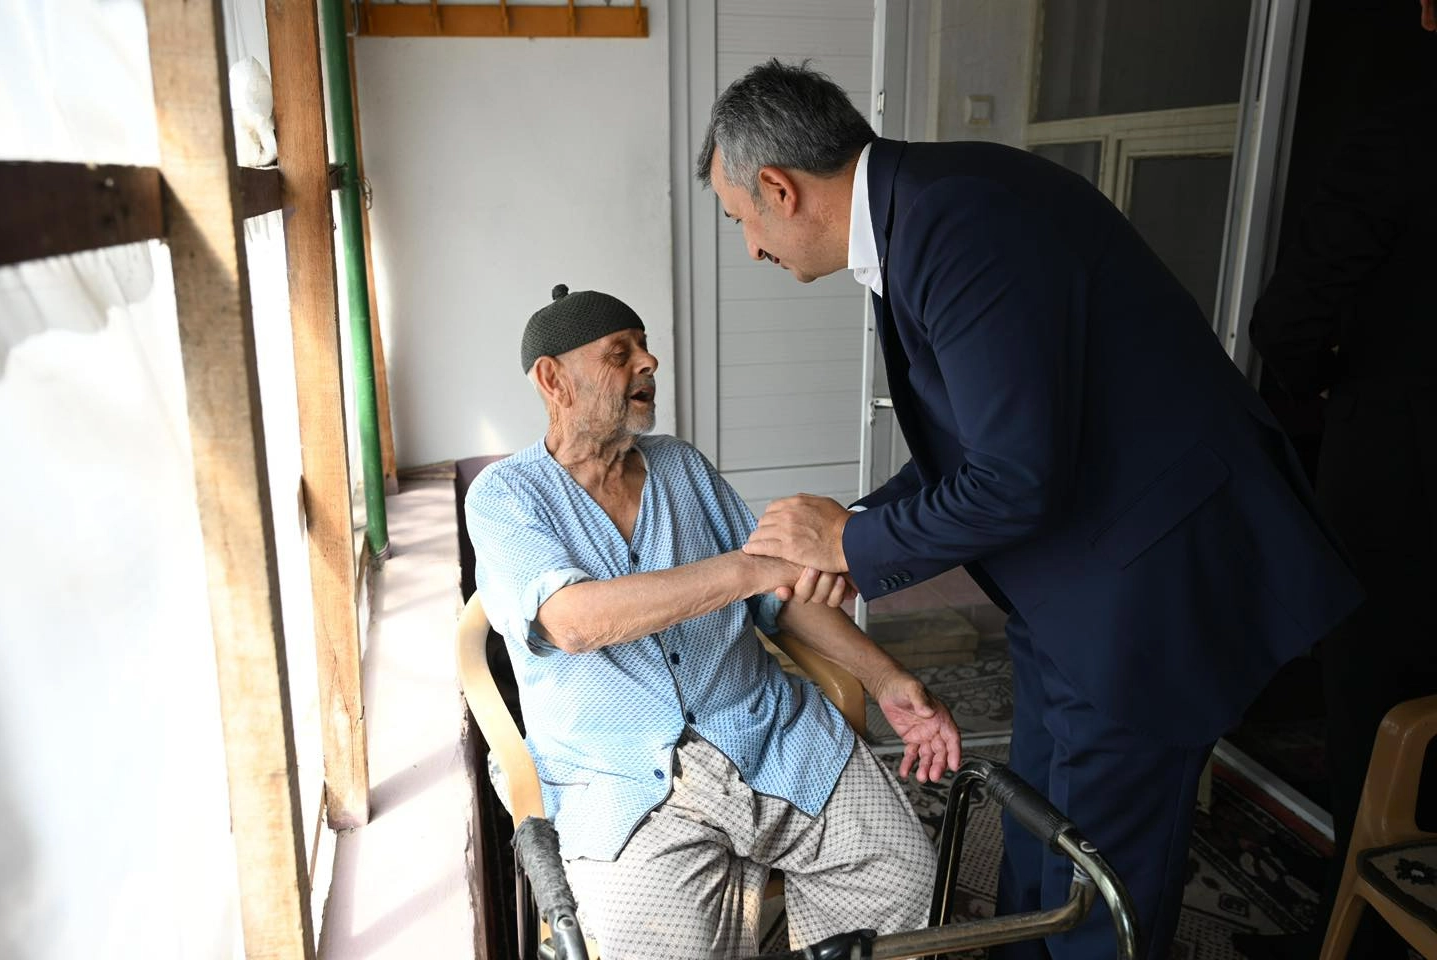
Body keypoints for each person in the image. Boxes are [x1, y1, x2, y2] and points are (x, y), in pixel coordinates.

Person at [698, 60, 1363, 960]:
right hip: (1071, 587)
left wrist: (852, 543)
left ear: (780, 188)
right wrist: (851, 530)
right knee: (1037, 828)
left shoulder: (957, 222)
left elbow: (1014, 480)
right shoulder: (924, 208)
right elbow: (979, 448)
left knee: (1099, 883)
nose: (751, 248)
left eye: (740, 219)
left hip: (1144, 587)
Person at [465, 284, 960, 960]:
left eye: (644, 347)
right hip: (623, 783)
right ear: (554, 380)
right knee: (665, 948)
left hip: (769, 738)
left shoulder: (681, 466)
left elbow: (779, 599)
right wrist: (751, 568)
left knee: (901, 877)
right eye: (620, 353)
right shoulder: (505, 496)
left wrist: (887, 680)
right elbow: (573, 622)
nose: (649, 362)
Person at [1237, 9, 1437, 957]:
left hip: (1403, 474)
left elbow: (1289, 320)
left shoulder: (1404, 129)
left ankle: (1364, 935)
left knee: (1379, 724)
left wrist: (1332, 389)